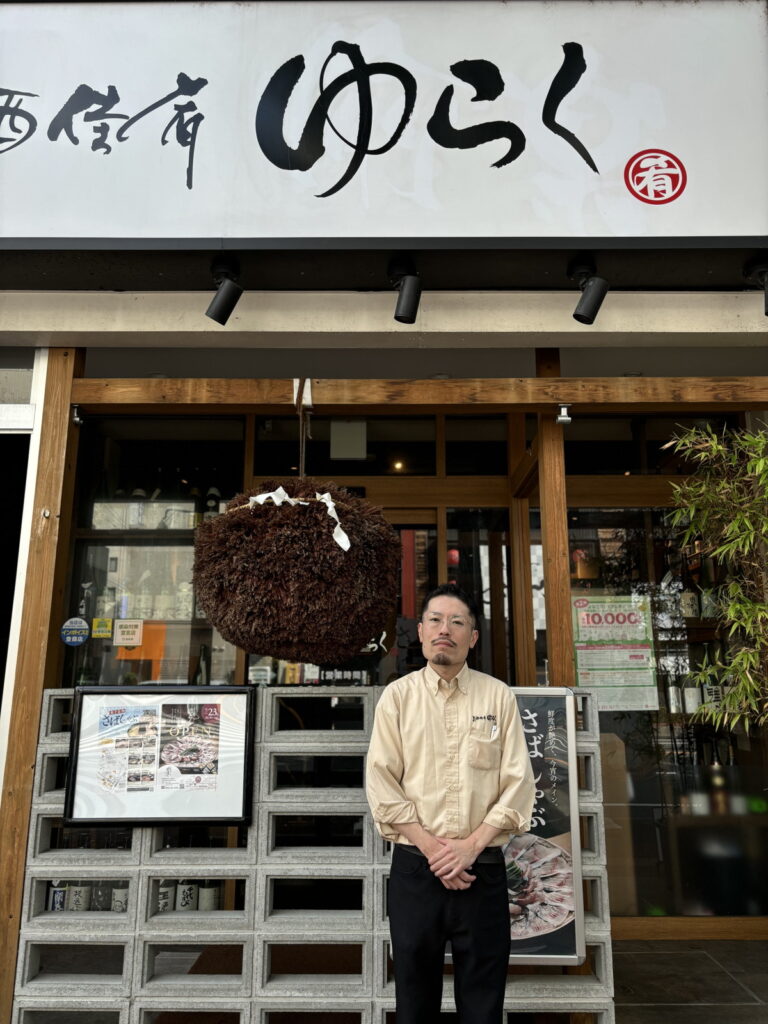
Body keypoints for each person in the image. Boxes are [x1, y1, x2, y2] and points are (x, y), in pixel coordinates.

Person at [366, 583, 535, 1024]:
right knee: (414, 1001)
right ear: (420, 632)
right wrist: (434, 850)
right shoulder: (397, 698)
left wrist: (470, 847)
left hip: (483, 866)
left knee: (483, 1003)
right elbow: (382, 783)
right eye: (436, 620)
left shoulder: (498, 696)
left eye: (457, 622)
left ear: (472, 637)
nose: (446, 629)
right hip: (415, 868)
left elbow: (518, 783)